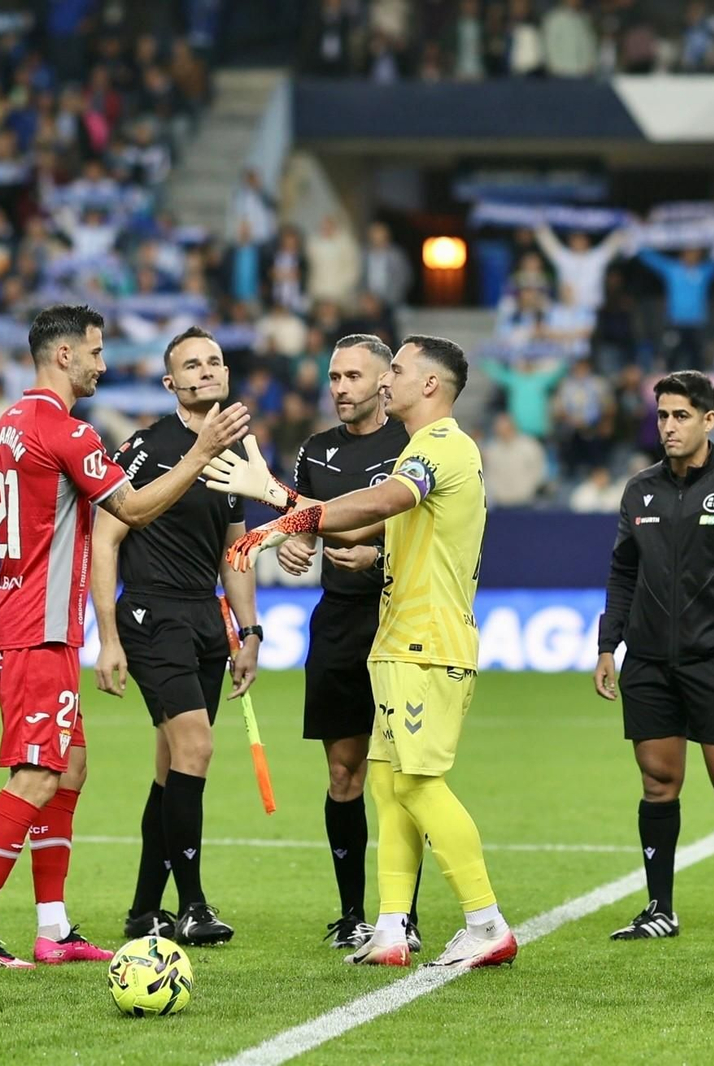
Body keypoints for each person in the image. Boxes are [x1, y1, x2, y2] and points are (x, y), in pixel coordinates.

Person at [0, 306, 248, 968]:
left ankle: (53, 929)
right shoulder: (66, 431)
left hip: (14, 618)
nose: (102, 365)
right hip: (38, 629)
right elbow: (132, 510)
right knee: (35, 774)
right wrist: (200, 452)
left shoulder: (2, 430)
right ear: (63, 356)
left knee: (71, 766)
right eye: (95, 353)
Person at [210, 335, 516, 970]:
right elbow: (353, 519)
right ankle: (390, 927)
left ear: (428, 385)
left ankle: (486, 922)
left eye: (395, 371)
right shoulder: (421, 454)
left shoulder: (441, 447)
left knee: (419, 785)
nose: (385, 382)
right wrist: (274, 495)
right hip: (395, 639)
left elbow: (380, 501)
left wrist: (275, 522)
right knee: (385, 783)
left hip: (426, 642)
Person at [594, 371, 714, 944]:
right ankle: (660, 908)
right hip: (648, 663)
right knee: (658, 782)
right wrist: (609, 645)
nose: (669, 427)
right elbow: (623, 572)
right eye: (662, 416)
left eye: (680, 416)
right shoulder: (640, 490)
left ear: (708, 419)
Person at [90, 326, 264, 948]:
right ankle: (191, 905)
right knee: (196, 748)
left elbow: (234, 550)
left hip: (203, 620)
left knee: (172, 769)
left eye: (214, 360)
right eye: (191, 365)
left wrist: (249, 630)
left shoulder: (240, 452)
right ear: (171, 383)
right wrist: (107, 636)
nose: (206, 370)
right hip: (150, 615)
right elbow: (104, 539)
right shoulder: (144, 447)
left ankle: (143, 910)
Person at [277, 334, 423, 951]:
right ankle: (352, 913)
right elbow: (301, 521)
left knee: (403, 774)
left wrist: (379, 554)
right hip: (337, 621)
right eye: (334, 377)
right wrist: (292, 541)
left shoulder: (414, 445)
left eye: (352, 377)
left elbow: (435, 535)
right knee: (345, 771)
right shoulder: (316, 450)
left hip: (398, 618)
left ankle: (403, 916)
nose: (339, 388)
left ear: (384, 381)